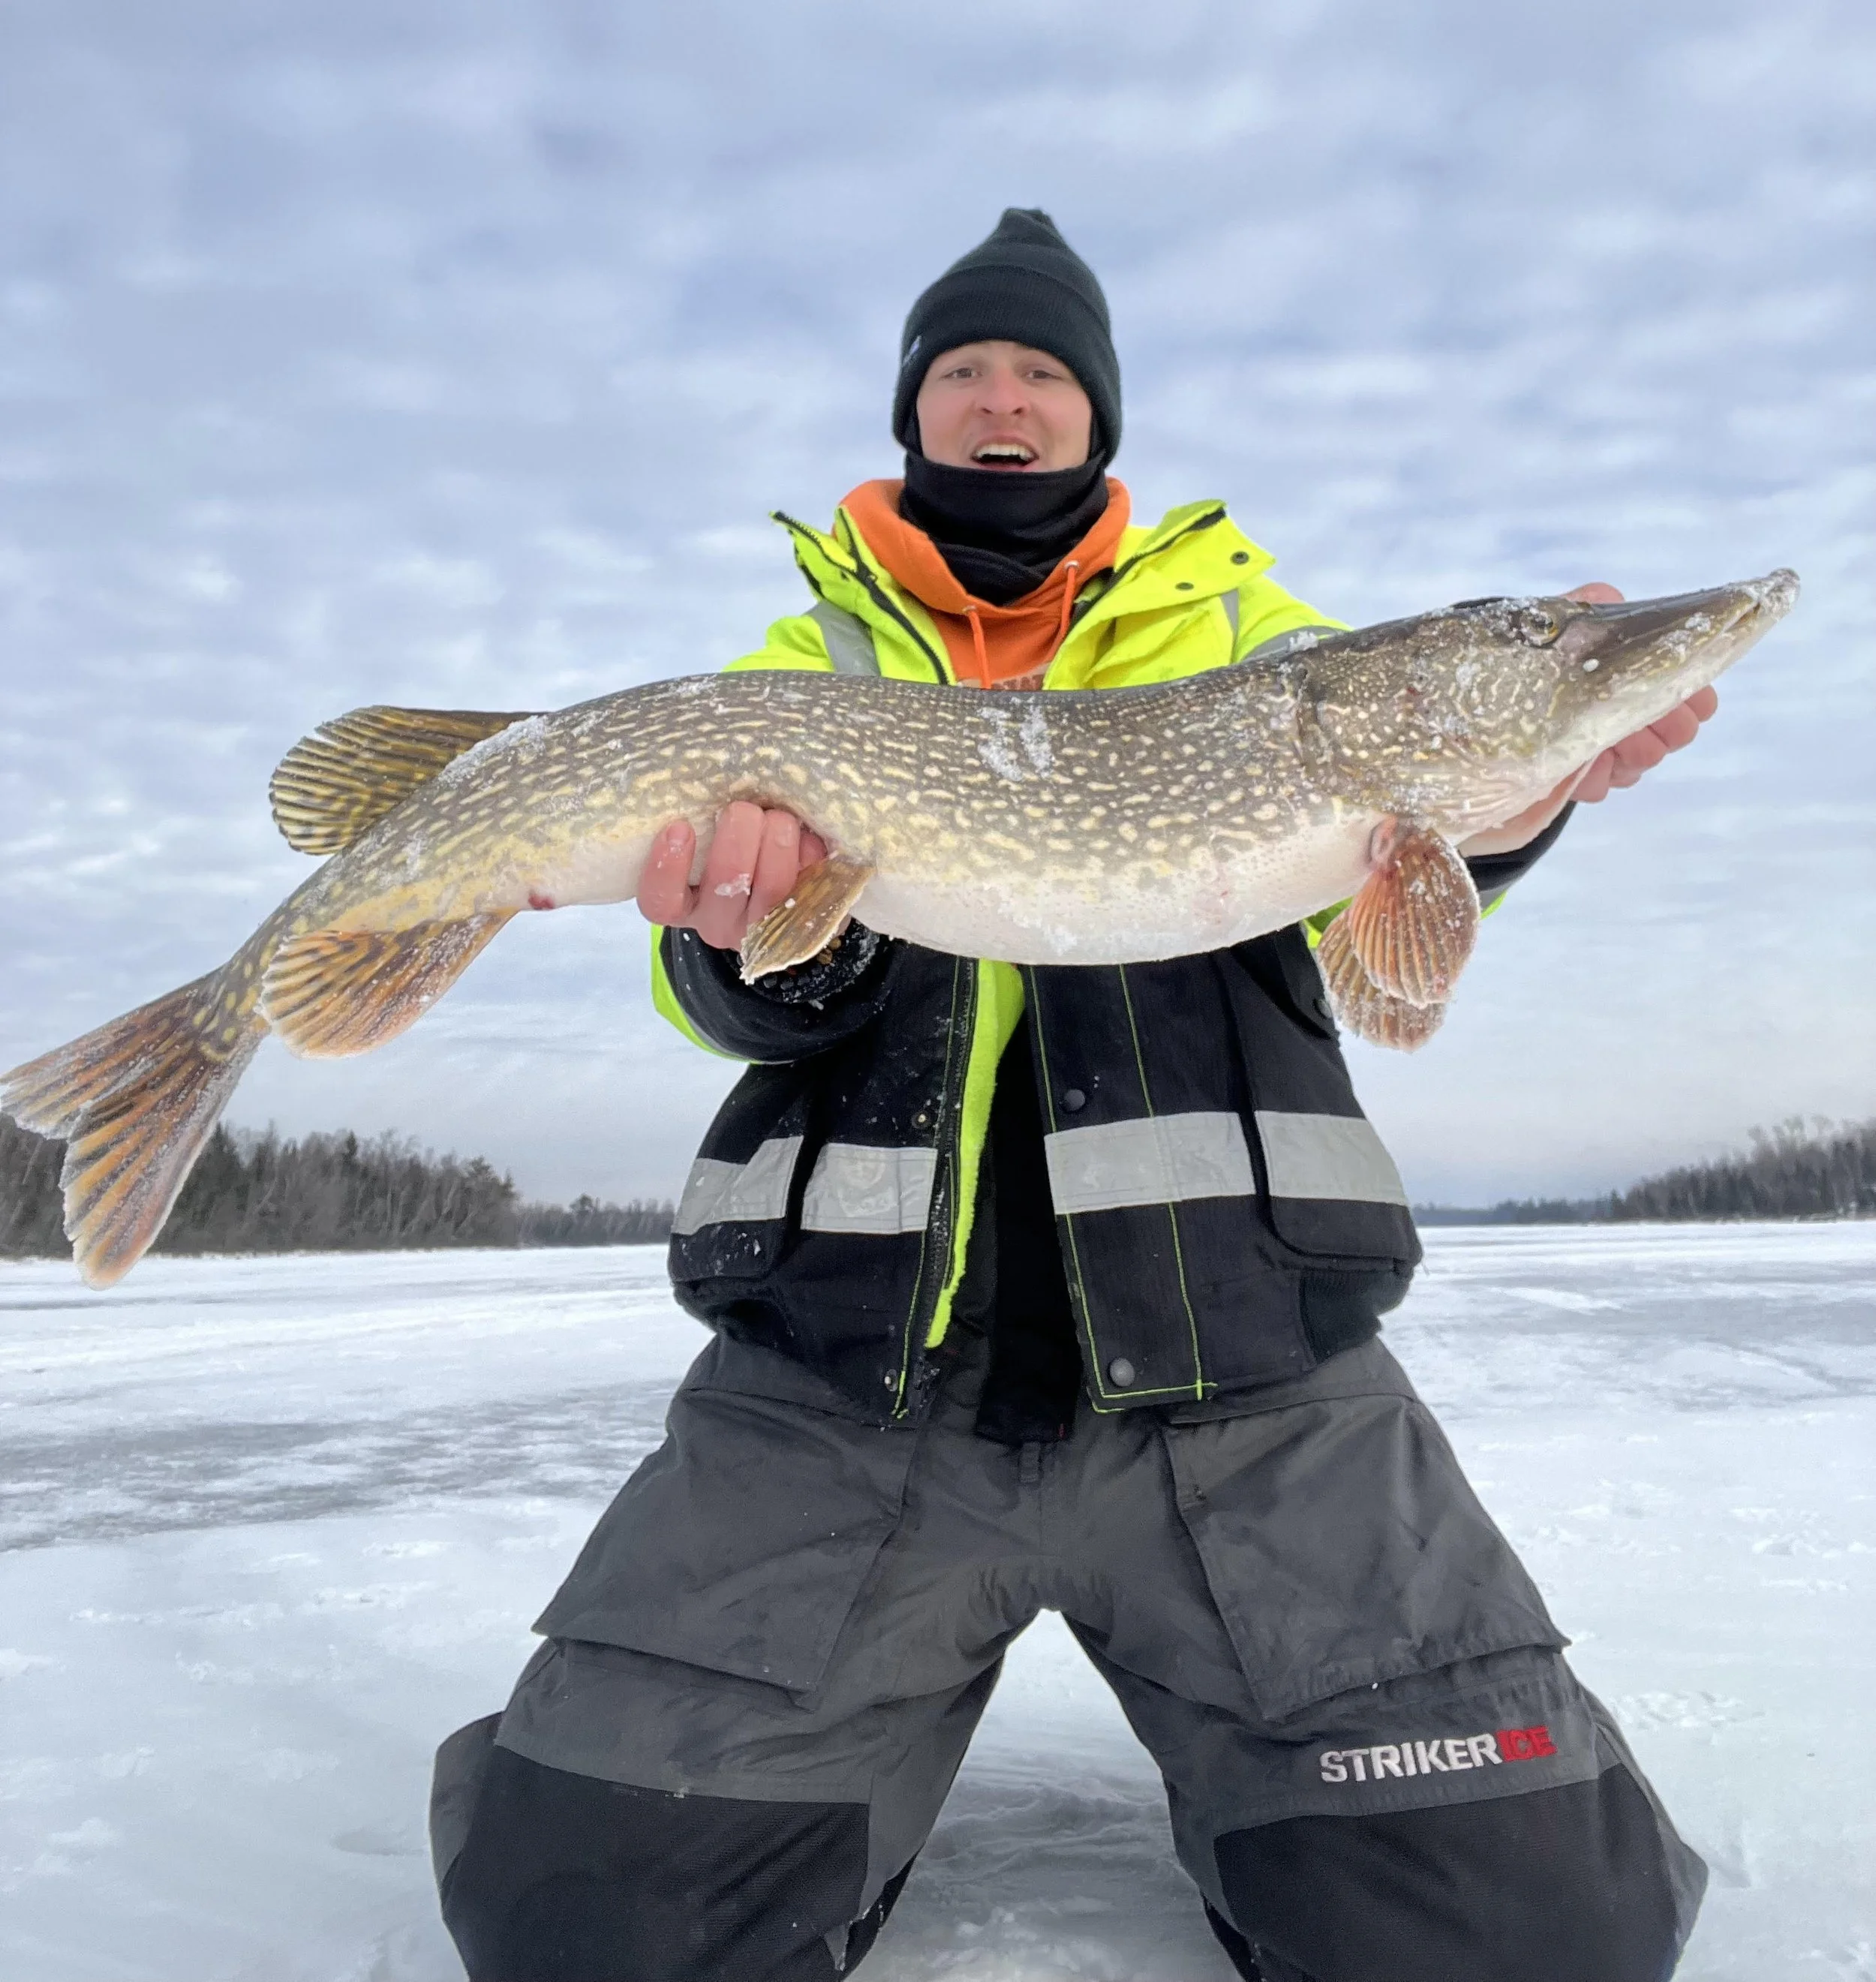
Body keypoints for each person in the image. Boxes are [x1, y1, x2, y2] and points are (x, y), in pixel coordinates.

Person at [431, 209, 1715, 1982]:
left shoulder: (1273, 645)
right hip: (844, 1388)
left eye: (1043, 370)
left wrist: (1526, 786)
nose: (1005, 399)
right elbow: (711, 988)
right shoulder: (805, 671)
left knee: (1527, 1942)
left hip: (1252, 1390)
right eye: (966, 369)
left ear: (1096, 416)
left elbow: (1399, 876)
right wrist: (763, 938)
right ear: (914, 411)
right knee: (588, 1932)